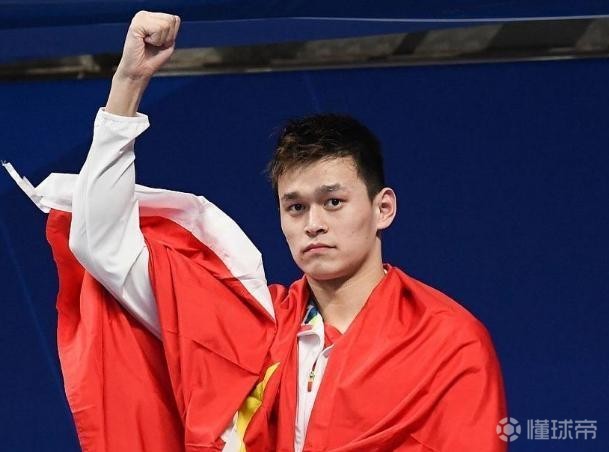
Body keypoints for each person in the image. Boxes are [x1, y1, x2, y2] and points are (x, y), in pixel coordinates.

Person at [20, 10, 507, 452]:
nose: (313, 224)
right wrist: (128, 83)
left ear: (383, 209)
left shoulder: (450, 342)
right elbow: (99, 242)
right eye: (295, 207)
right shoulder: (253, 324)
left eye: (333, 202)